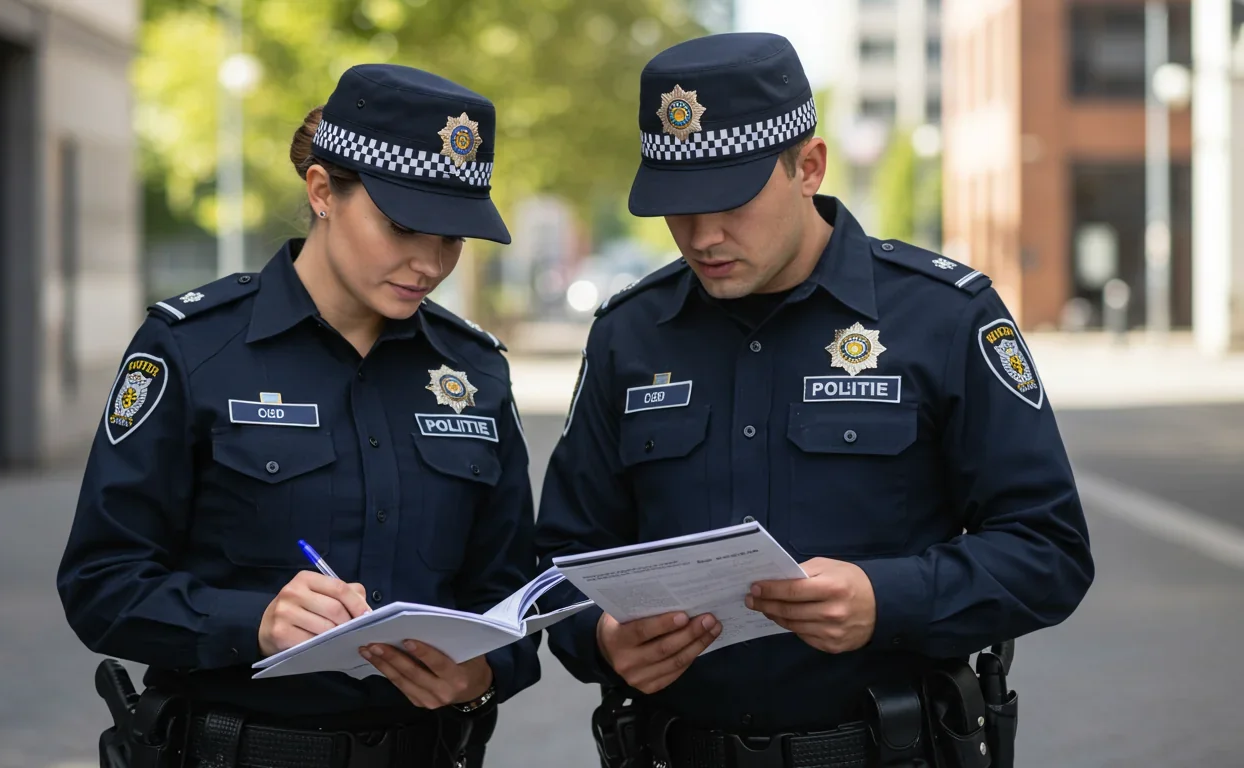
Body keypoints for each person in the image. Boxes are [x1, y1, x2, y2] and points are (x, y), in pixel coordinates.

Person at [535, 32, 1094, 767]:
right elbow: (561, 560)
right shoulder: (629, 334)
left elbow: (1049, 551)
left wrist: (888, 599)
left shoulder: (945, 317)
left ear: (809, 167)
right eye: (676, 206)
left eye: (731, 200)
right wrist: (602, 639)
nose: (702, 236)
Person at [58, 63, 539, 768]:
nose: (430, 263)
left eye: (453, 236)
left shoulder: (475, 370)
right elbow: (101, 582)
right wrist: (253, 622)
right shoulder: (192, 348)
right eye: (404, 225)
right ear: (322, 192)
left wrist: (482, 678)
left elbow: (513, 594)